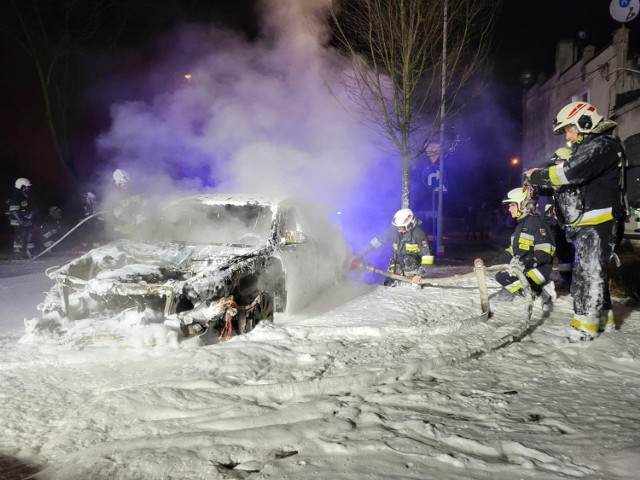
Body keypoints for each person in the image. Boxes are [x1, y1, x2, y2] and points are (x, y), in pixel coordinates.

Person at [525, 101, 626, 341]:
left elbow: (568, 173)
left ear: (584, 121)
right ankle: (603, 320)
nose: (568, 136)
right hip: (590, 223)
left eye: (569, 129)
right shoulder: (593, 148)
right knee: (593, 273)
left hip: (599, 222)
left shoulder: (602, 146)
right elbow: (571, 184)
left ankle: (584, 328)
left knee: (587, 275)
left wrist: (537, 175)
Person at [494, 187, 556, 303]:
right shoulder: (519, 226)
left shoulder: (537, 223)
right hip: (523, 269)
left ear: (522, 204)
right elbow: (512, 251)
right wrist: (491, 263)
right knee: (500, 278)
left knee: (503, 295)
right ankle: (528, 291)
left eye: (512, 205)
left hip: (538, 270)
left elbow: (546, 253)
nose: (509, 209)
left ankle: (540, 294)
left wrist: (526, 262)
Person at [351, 208, 434, 286]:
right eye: (397, 227)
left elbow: (427, 257)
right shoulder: (393, 230)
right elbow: (378, 241)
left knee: (411, 287)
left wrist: (419, 275)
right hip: (398, 264)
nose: (398, 230)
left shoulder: (418, 234)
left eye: (401, 227)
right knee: (389, 284)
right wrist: (363, 252)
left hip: (414, 268)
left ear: (410, 225)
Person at [4, 177, 38, 258]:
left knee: (28, 235)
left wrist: (31, 214)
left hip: (25, 220)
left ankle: (27, 252)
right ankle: (18, 253)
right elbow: (14, 211)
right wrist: (22, 221)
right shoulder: (16, 197)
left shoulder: (23, 196)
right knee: (20, 236)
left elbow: (25, 208)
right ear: (22, 186)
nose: (28, 188)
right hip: (18, 221)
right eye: (27, 186)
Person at [108, 168, 145, 239]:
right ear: (118, 183)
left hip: (134, 222)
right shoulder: (114, 195)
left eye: (126, 183)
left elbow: (138, 203)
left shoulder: (131, 190)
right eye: (123, 183)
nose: (125, 185)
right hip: (121, 229)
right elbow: (115, 212)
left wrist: (139, 204)